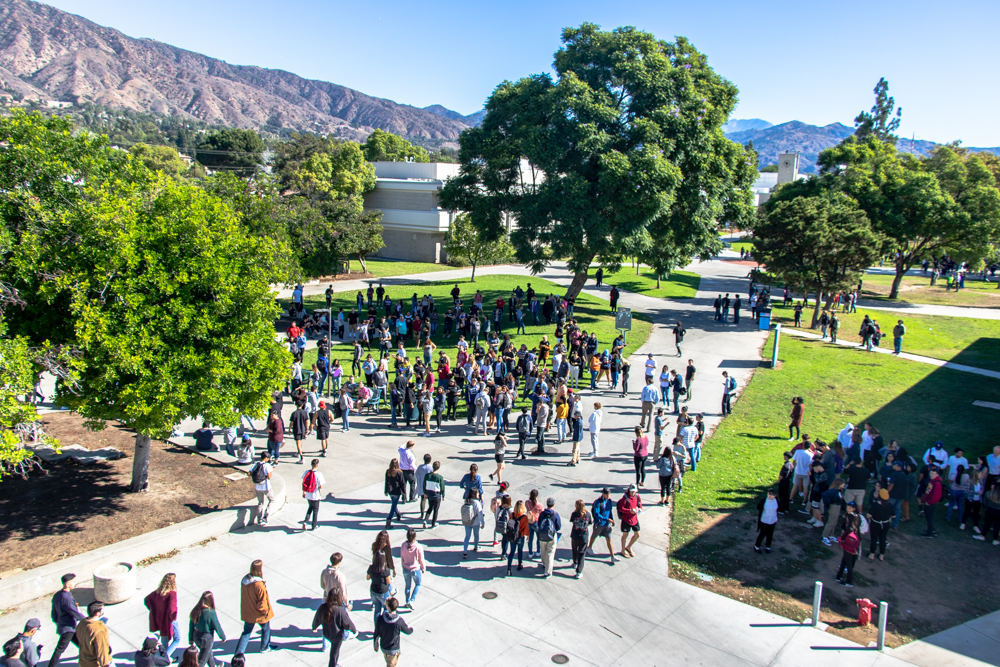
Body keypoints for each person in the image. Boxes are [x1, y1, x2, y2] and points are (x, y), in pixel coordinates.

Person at [236, 560, 276, 653]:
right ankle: (264, 647)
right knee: (266, 628)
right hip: (258, 613)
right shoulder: (259, 585)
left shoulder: (245, 580)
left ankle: (238, 653)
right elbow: (262, 601)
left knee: (246, 633)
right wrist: (265, 612)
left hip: (248, 612)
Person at [48, 572, 86, 667]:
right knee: (60, 649)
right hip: (68, 627)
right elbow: (74, 612)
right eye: (73, 582)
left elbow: (54, 612)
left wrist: (56, 621)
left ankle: (85, 654)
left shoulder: (57, 595)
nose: (75, 583)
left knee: (80, 642)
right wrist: (87, 619)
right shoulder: (67, 598)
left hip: (63, 624)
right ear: (68, 584)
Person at [311, 588, 356, 667]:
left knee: (334, 655)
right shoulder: (340, 610)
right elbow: (347, 623)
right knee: (334, 655)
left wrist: (314, 627)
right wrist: (354, 630)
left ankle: (334, 664)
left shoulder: (323, 607)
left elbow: (317, 617)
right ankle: (333, 665)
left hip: (327, 633)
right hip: (337, 636)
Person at [144, 574, 180, 662]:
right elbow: (172, 609)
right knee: (177, 639)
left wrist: (153, 610)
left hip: (160, 619)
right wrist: (173, 618)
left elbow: (147, 600)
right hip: (169, 620)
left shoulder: (157, 592)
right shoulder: (172, 594)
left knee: (164, 639)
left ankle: (164, 655)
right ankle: (165, 658)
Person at [188, 592, 225, 667]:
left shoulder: (195, 610)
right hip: (206, 639)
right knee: (202, 662)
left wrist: (191, 638)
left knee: (208, 654)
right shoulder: (210, 612)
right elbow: (216, 626)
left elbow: (191, 625)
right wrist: (222, 637)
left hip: (196, 637)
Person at [373, 597, 413, 666]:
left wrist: (376, 644)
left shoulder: (381, 619)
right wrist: (411, 629)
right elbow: (407, 631)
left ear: (388, 608)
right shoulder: (399, 621)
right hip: (393, 649)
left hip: (384, 647)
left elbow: (376, 633)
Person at [75, 602, 112, 667]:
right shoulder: (99, 630)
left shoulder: (82, 623)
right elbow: (101, 651)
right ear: (97, 613)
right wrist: (105, 665)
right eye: (102, 610)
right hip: (95, 663)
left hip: (84, 661)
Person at [400, 529, 426, 610]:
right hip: (415, 569)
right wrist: (423, 567)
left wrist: (403, 565)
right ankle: (412, 600)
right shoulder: (418, 546)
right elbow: (421, 559)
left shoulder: (403, 545)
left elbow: (402, 557)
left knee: (407, 586)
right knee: (418, 584)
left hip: (405, 568)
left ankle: (407, 601)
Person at [536, 497, 562, 578]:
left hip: (542, 535)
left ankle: (544, 563)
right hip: (551, 535)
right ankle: (548, 571)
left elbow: (539, 523)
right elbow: (559, 526)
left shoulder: (542, 514)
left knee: (543, 550)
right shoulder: (555, 514)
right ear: (553, 505)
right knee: (550, 553)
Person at [366, 551, 393, 625]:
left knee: (377, 610)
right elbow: (389, 582)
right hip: (383, 592)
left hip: (373, 591)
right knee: (386, 608)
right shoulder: (385, 569)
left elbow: (367, 577)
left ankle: (377, 627)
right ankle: (385, 625)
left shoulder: (371, 567)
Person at [867, 488, 894, 561]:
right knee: (883, 539)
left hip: (875, 523)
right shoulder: (889, 505)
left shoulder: (875, 504)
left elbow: (869, 515)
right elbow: (893, 515)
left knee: (874, 539)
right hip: (885, 524)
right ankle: (881, 555)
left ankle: (872, 554)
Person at [835, 515, 861, 587]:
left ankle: (848, 582)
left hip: (847, 549)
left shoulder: (849, 529)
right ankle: (838, 576)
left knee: (847, 564)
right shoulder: (857, 529)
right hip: (854, 550)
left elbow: (842, 537)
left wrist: (840, 541)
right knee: (844, 562)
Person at [617, 484, 642, 558]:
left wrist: (640, 508)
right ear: (629, 490)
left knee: (637, 534)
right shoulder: (625, 498)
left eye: (634, 491)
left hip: (634, 519)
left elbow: (639, 503)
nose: (633, 493)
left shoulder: (637, 496)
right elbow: (621, 508)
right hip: (626, 519)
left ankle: (629, 547)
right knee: (625, 535)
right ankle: (622, 550)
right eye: (631, 491)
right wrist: (629, 511)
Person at [506, 500, 531, 575]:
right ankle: (520, 564)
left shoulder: (512, 514)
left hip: (512, 536)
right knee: (520, 551)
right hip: (520, 536)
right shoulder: (524, 517)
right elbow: (526, 528)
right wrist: (527, 536)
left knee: (511, 552)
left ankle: (509, 569)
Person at [300, 459, 326, 531]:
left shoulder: (307, 472)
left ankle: (305, 521)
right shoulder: (318, 474)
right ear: (317, 465)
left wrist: (304, 492)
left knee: (310, 508)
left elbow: (304, 483)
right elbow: (321, 486)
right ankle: (314, 526)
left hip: (308, 494)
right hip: (315, 495)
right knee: (315, 510)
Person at [251, 451, 275, 526]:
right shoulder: (267, 466)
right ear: (265, 458)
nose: (269, 459)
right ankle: (266, 515)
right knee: (272, 500)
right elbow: (269, 477)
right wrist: (271, 470)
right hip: (266, 487)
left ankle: (259, 520)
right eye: (268, 458)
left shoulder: (255, 464)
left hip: (257, 487)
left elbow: (250, 472)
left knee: (260, 503)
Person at [461, 489, 486, 559]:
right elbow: (480, 514)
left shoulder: (466, 500)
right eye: (478, 493)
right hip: (475, 522)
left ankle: (465, 552)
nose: (479, 495)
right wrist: (482, 522)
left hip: (467, 521)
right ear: (475, 494)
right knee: (476, 535)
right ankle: (475, 547)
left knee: (467, 536)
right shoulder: (477, 503)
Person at [921, 467, 944, 538]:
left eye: (934, 474)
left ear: (937, 474)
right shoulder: (932, 481)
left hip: (931, 503)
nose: (932, 475)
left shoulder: (937, 483)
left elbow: (937, 495)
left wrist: (929, 502)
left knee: (929, 517)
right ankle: (932, 530)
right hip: (928, 502)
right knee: (928, 517)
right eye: (931, 473)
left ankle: (930, 532)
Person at [754, 489, 779, 554]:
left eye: (772, 495)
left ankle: (768, 547)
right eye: (769, 494)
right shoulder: (764, 500)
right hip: (764, 520)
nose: (770, 496)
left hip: (772, 520)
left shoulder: (777, 501)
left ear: (775, 495)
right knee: (762, 533)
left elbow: (780, 508)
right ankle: (756, 546)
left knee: (770, 534)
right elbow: (758, 507)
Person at [384, 458, 405, 528]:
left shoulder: (388, 471)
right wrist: (404, 492)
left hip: (390, 491)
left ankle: (398, 514)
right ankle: (388, 521)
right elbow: (402, 483)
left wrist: (386, 490)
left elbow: (386, 482)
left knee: (394, 504)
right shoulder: (399, 472)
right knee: (393, 506)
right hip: (396, 491)